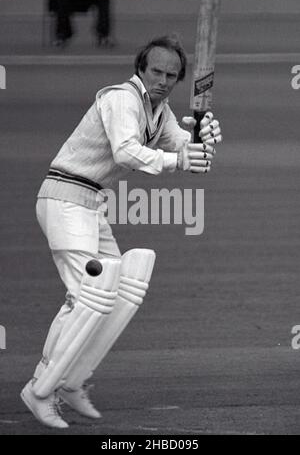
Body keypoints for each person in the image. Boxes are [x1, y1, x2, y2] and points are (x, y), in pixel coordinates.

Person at [20, 35, 223, 429]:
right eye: (156, 72)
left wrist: (204, 140)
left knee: (117, 295)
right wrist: (177, 159)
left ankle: (71, 379)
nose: (163, 80)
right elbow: (126, 151)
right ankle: (41, 388)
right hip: (65, 197)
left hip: (92, 204)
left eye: (171, 75)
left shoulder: (159, 111)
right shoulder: (121, 99)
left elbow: (186, 149)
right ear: (141, 69)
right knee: (87, 297)